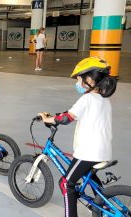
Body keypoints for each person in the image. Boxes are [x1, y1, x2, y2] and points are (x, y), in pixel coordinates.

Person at [38, 57, 117, 217]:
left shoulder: (87, 99)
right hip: (103, 151)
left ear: (89, 80)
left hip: (88, 152)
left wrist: (47, 119)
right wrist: (60, 115)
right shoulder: (103, 100)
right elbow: (73, 113)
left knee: (66, 183)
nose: (77, 82)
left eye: (79, 79)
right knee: (91, 177)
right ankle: (104, 206)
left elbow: (67, 118)